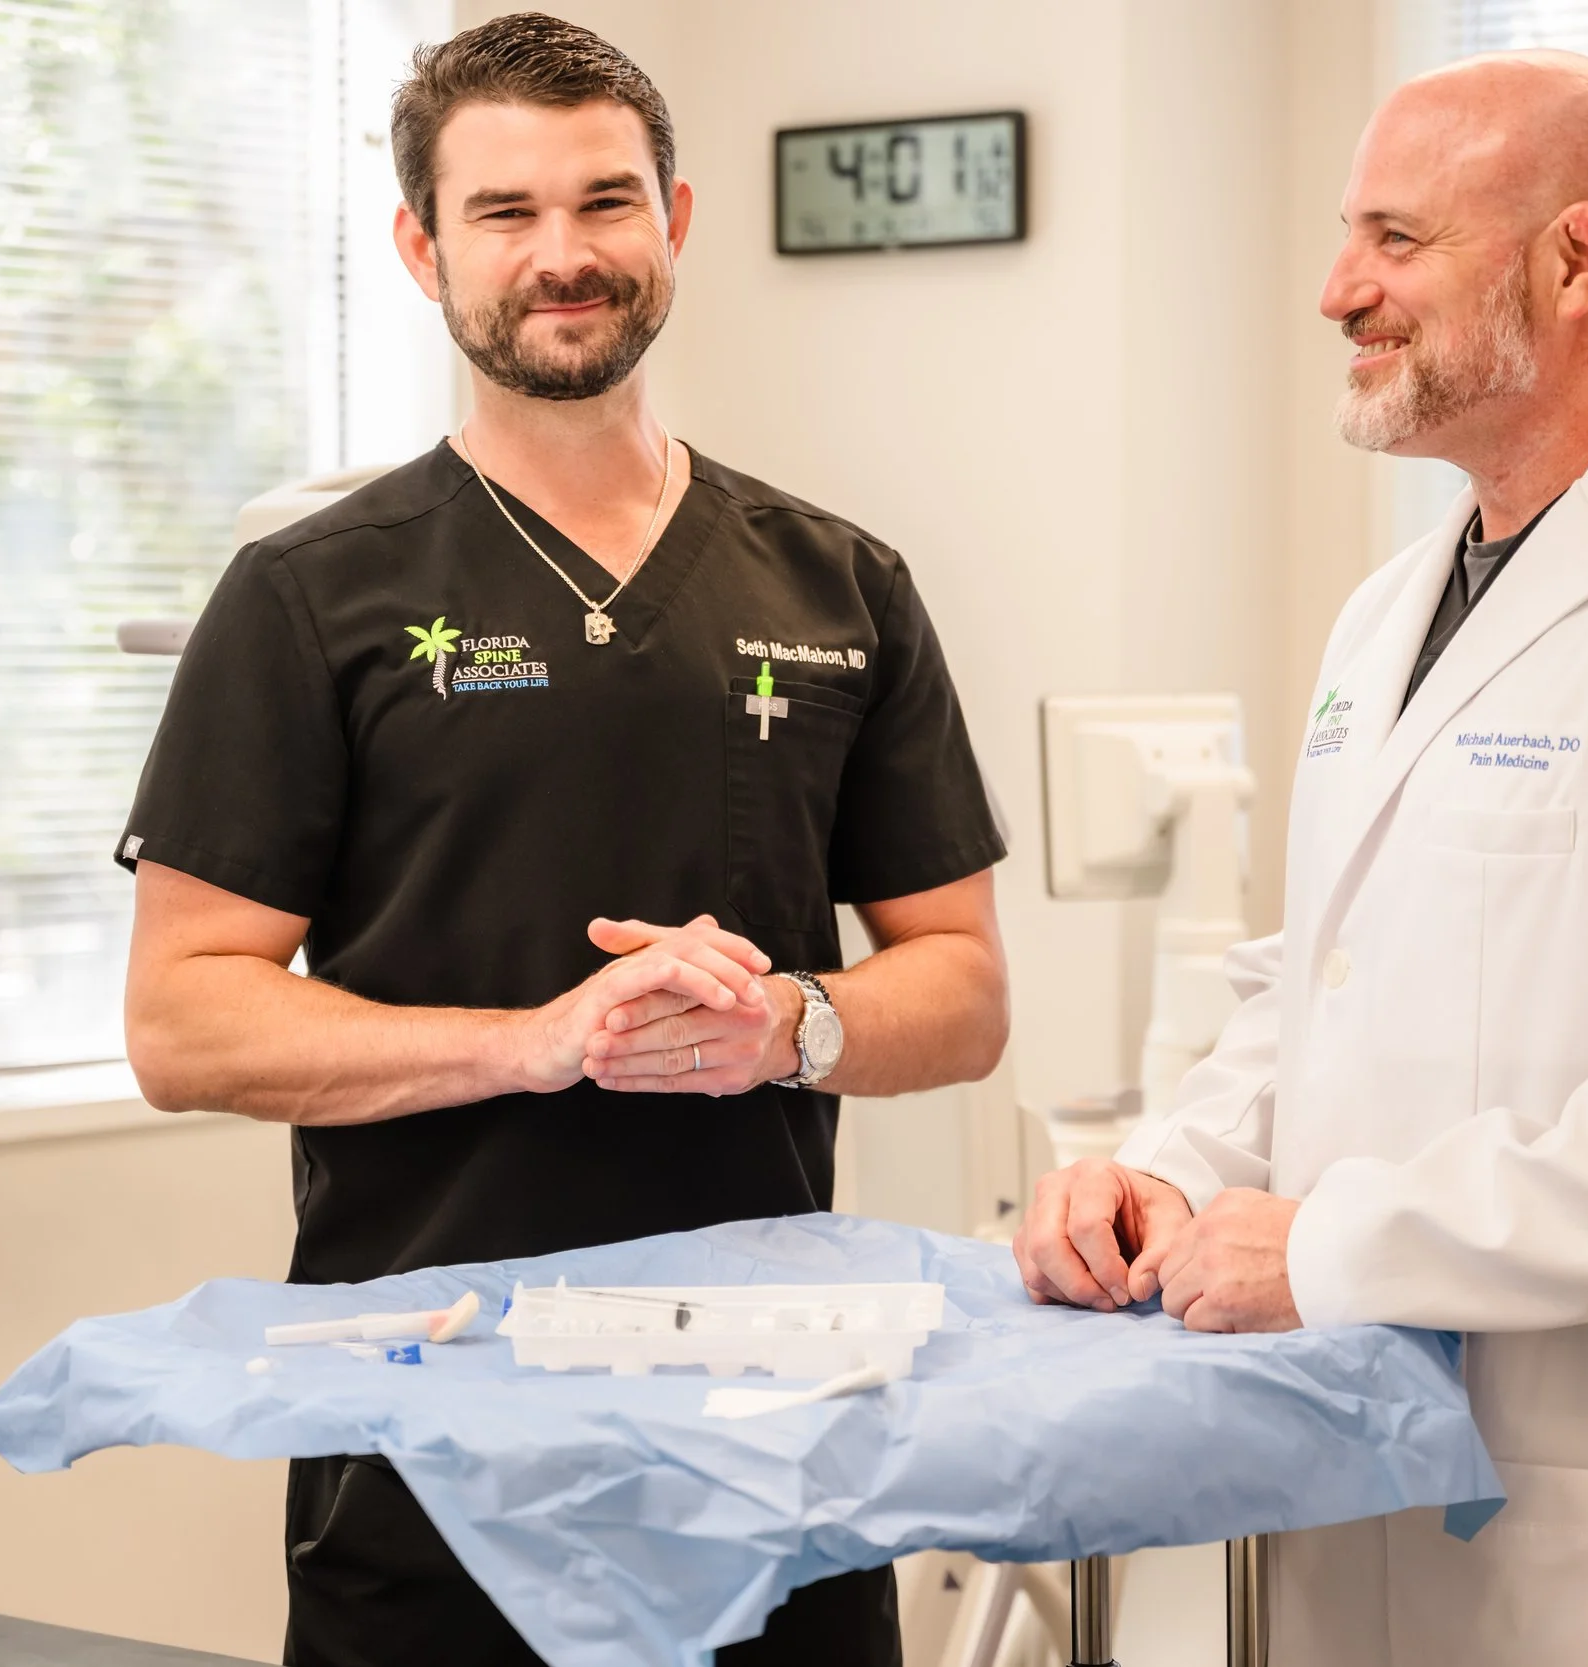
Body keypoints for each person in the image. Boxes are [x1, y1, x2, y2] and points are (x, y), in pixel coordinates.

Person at [1016, 49, 1588, 1667]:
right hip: (1372, 1492)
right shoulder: (1396, 609)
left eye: (1395, 239)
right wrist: (1175, 1169)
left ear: (1576, 261)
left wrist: (1326, 1246)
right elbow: (1321, 984)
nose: (1336, 289)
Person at [117, 13, 1008, 1666]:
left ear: (676, 219)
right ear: (420, 247)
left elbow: (959, 986)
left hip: (779, 1436)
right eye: (504, 214)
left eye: (604, 203)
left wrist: (793, 1025)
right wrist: (534, 1045)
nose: (563, 255)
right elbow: (182, 1018)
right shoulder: (313, 597)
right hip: (436, 1447)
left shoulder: (840, 587)